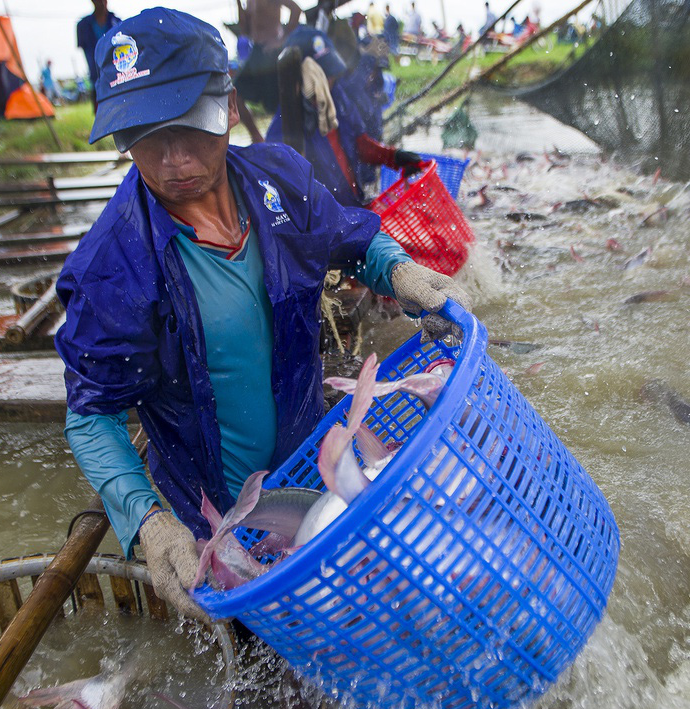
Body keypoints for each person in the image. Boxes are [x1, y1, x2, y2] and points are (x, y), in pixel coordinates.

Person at [55, 8, 471, 624]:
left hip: (313, 466)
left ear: (225, 107)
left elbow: (354, 240)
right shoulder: (112, 270)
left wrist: (401, 272)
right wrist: (149, 521)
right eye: (144, 136)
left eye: (187, 127)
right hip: (213, 517)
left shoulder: (281, 179)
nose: (171, 161)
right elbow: (91, 417)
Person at [266, 28, 420, 207]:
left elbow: (358, 142)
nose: (330, 79)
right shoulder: (283, 128)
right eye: (323, 73)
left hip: (353, 208)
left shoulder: (336, 97)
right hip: (328, 225)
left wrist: (393, 156)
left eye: (331, 72)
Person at [233, 0, 303, 112]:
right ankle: (256, 131)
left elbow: (296, 9)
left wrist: (281, 40)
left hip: (271, 51)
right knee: (235, 94)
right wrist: (238, 3)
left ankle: (284, 127)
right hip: (256, 51)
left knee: (276, 101)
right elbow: (245, 31)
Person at [76, 0, 120, 112]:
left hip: (117, 78)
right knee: (101, 113)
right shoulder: (83, 26)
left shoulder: (118, 23)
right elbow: (85, 51)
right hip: (96, 78)